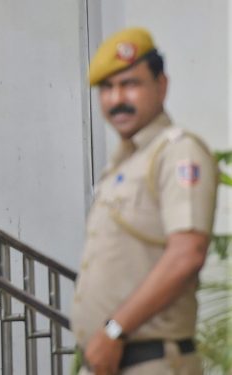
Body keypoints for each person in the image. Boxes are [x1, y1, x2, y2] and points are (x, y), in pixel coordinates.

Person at [71, 28, 218, 375]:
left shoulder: (178, 152)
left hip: (151, 361)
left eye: (130, 84)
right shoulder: (125, 162)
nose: (116, 98)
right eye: (106, 88)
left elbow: (187, 253)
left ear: (161, 85)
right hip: (113, 359)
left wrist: (113, 329)